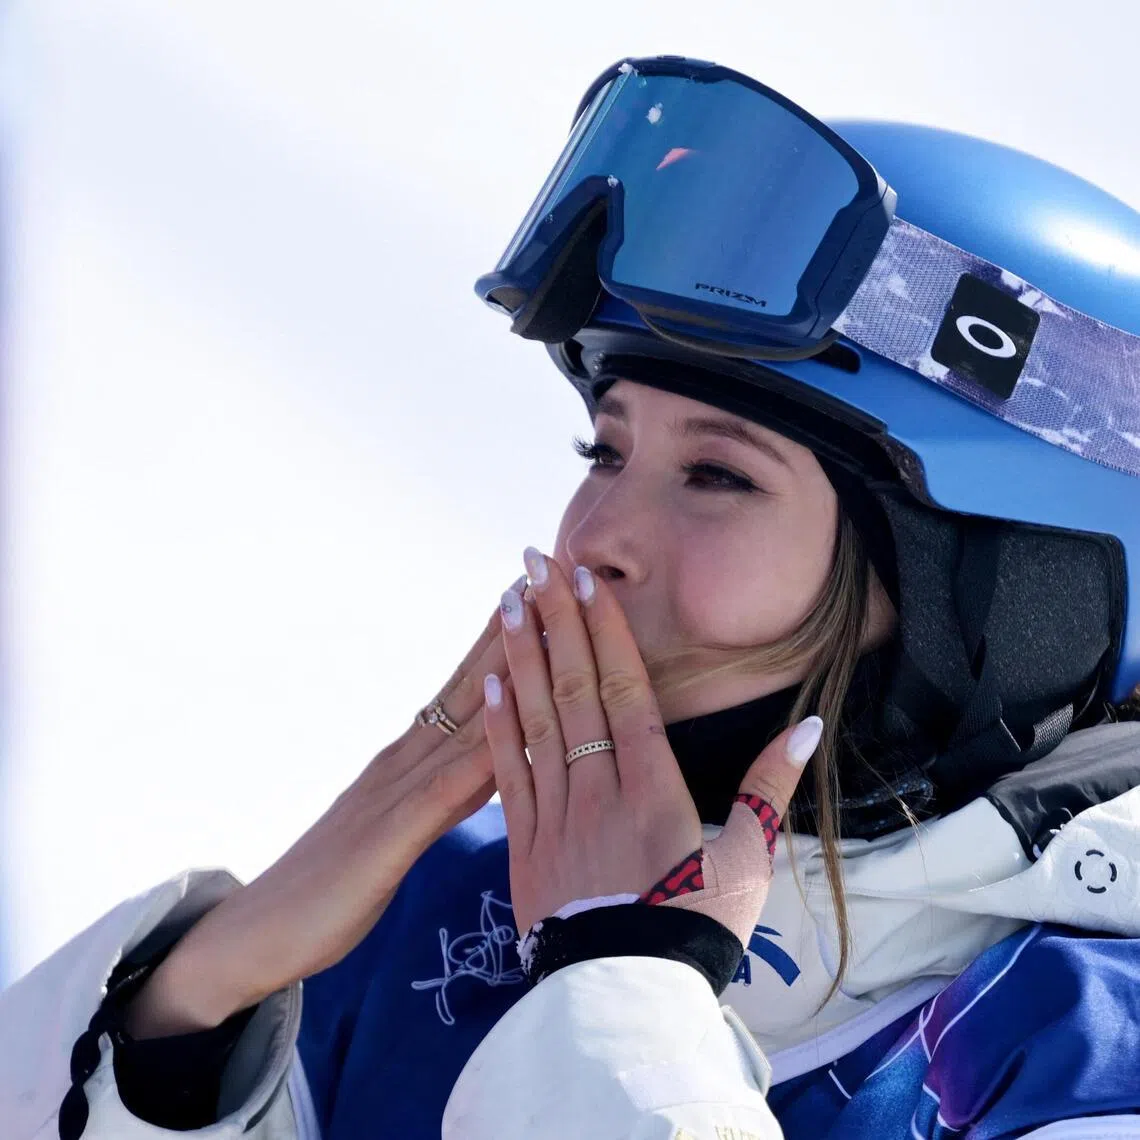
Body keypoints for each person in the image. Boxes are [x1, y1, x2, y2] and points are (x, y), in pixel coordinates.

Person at [3, 54, 1140, 1140]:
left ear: (1003, 595)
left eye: (718, 475)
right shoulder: (445, 911)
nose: (596, 542)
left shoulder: (1084, 1043)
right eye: (604, 451)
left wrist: (621, 991)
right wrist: (190, 1009)